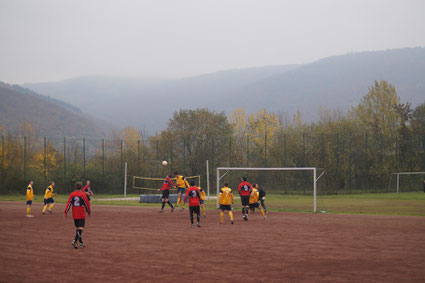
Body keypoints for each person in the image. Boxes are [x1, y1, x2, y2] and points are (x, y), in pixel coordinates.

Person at [64, 182, 91, 249]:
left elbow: (69, 204)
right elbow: (86, 203)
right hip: (81, 213)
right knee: (81, 228)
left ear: (75, 187)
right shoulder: (83, 194)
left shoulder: (72, 194)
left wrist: (66, 211)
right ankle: (74, 241)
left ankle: (81, 243)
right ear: (81, 187)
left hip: (74, 213)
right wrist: (88, 211)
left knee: (77, 228)